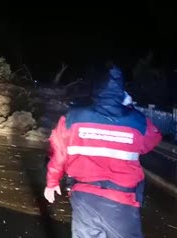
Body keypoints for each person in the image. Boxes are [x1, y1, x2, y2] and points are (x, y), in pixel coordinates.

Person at [43, 65, 162, 238]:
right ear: (122, 90)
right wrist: (130, 109)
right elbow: (153, 140)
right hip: (122, 201)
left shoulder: (72, 117)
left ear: (95, 88)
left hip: (84, 197)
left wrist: (52, 183)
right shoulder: (137, 121)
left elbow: (58, 153)